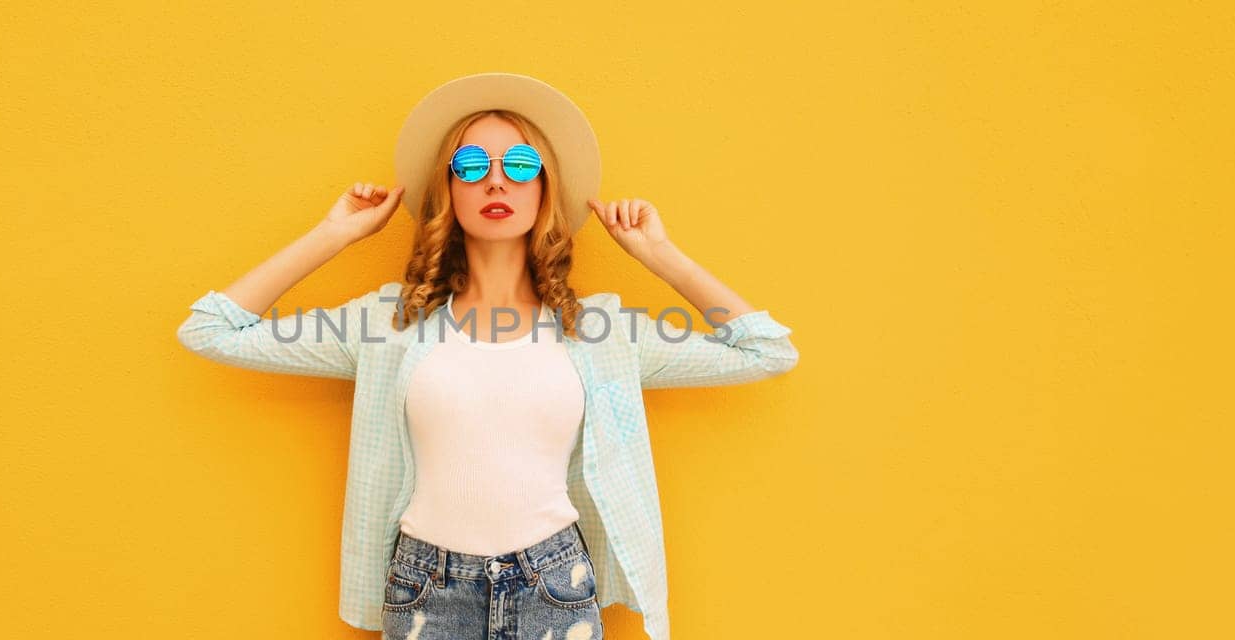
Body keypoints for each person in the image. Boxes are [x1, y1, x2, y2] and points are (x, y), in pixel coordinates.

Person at [176, 72, 800, 640]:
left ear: (543, 189)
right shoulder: (389, 323)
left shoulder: (600, 331)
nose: (495, 180)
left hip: (555, 589)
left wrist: (659, 255)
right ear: (448, 189)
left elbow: (766, 350)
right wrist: (335, 234)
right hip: (426, 592)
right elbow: (210, 330)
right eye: (471, 164)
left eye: (519, 163)